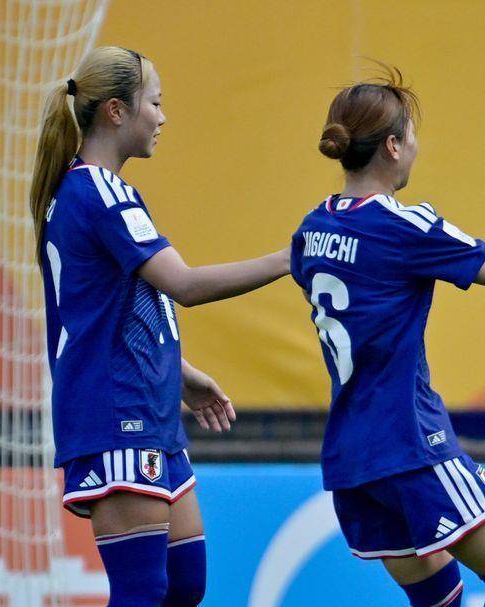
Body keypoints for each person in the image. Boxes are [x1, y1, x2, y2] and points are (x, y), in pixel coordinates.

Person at [30, 46, 290, 605]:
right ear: (116, 112)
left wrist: (181, 372)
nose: (163, 117)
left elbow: (110, 306)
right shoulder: (97, 191)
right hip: (116, 413)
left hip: (149, 410)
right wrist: (288, 259)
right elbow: (184, 285)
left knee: (185, 584)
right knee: (142, 591)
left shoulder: (93, 190)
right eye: (155, 102)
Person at [288, 66, 485, 606]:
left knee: (439, 597)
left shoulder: (311, 229)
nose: (416, 148)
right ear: (392, 146)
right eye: (412, 136)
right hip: (410, 442)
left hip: (351, 458)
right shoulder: (403, 226)